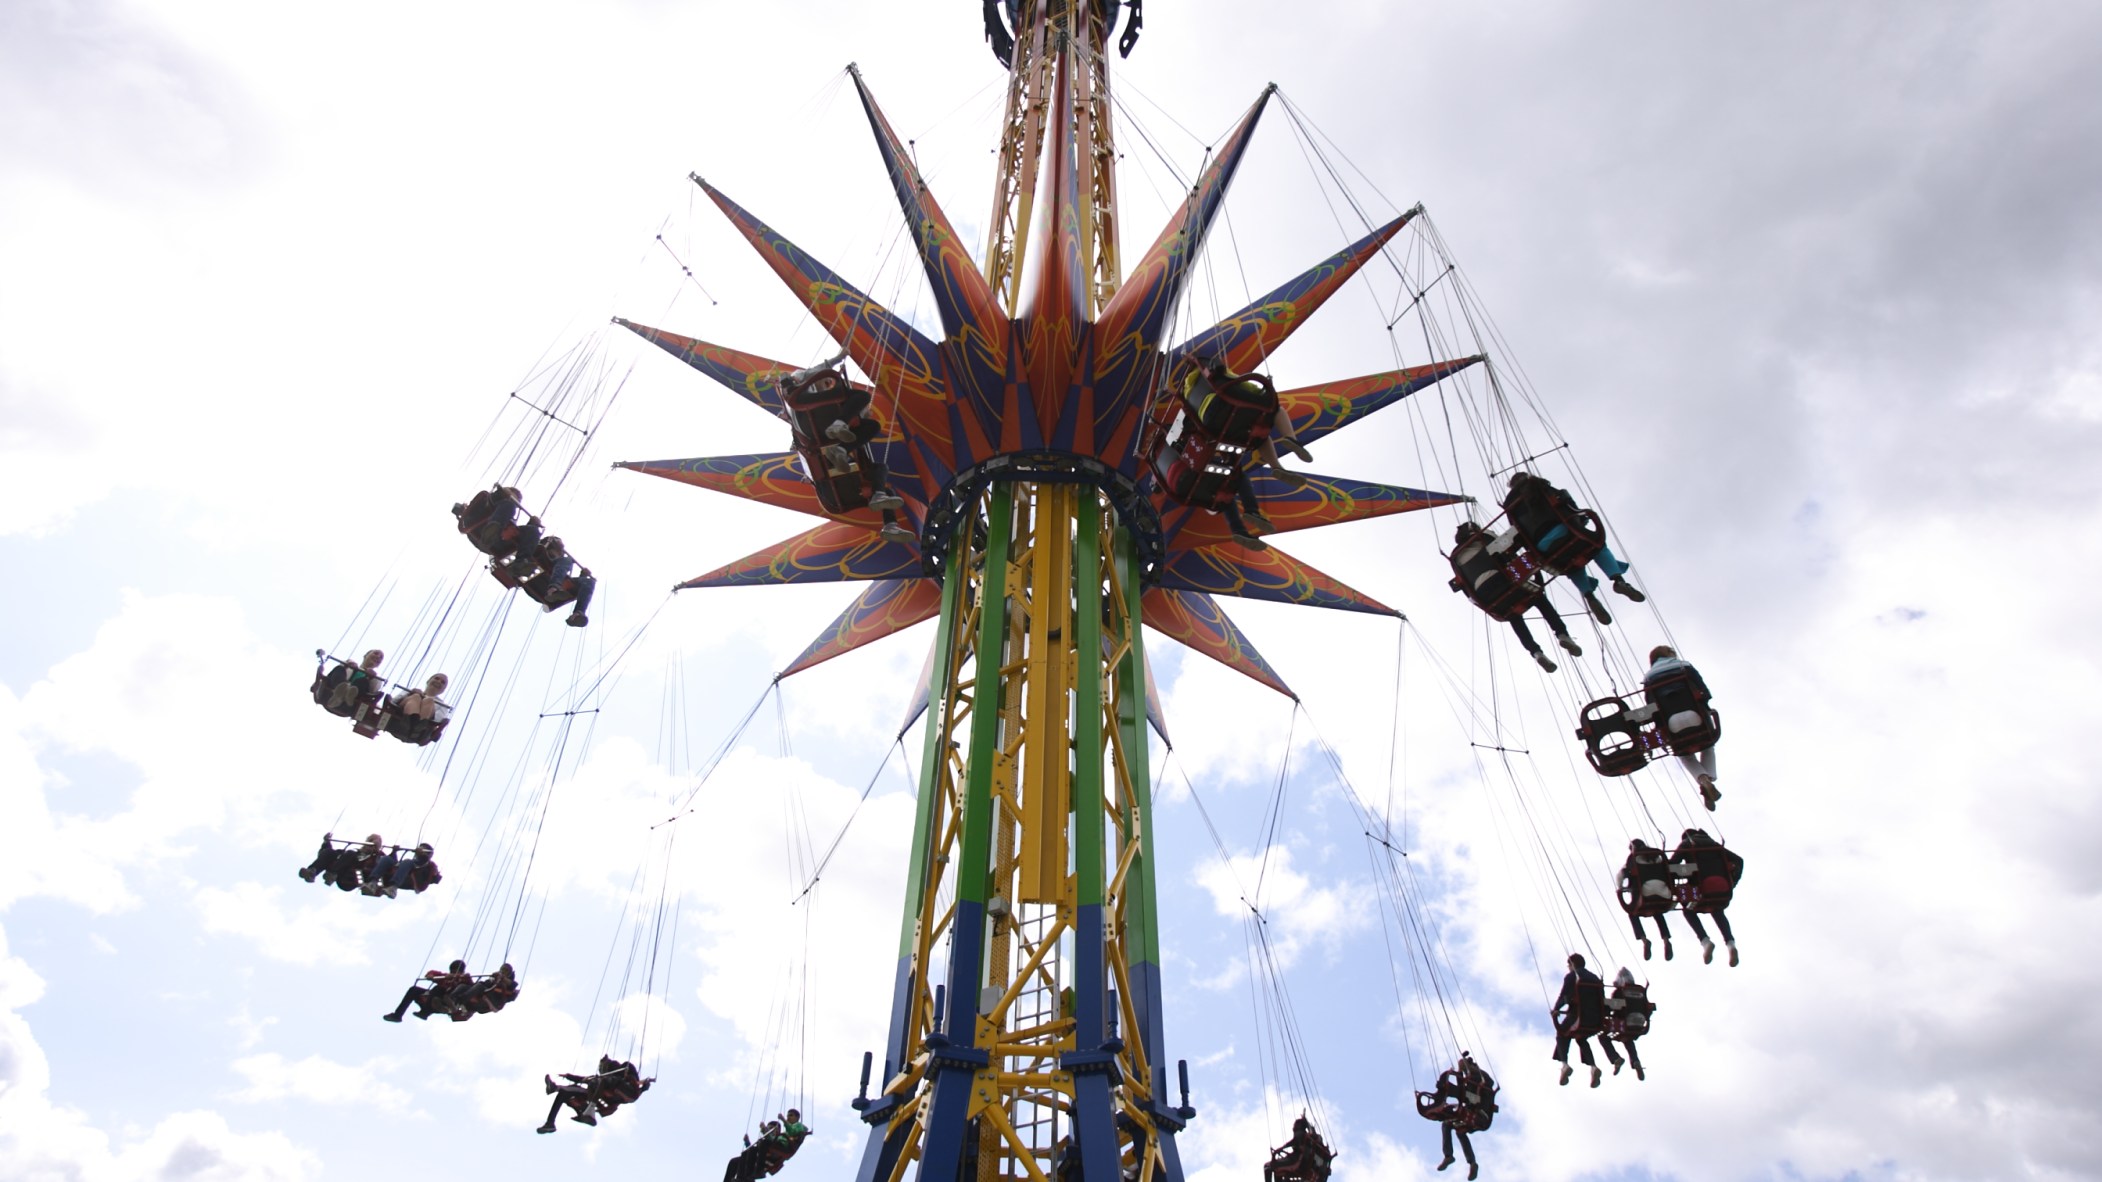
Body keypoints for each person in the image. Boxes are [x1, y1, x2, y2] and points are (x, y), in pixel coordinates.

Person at [1500, 472, 1643, 624]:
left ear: (1512, 486)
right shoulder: (1538, 485)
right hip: (1567, 531)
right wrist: (1580, 519)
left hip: (1543, 548)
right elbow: (1566, 502)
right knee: (1596, 546)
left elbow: (1518, 532)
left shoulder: (1510, 507)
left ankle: (1589, 596)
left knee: (1571, 566)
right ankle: (1618, 580)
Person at [1450, 520, 1582, 673]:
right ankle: (1562, 634)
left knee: (1512, 614)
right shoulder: (1483, 536)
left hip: (1487, 595)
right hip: (1504, 581)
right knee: (1538, 597)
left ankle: (1536, 652)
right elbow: (1507, 544)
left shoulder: (1456, 558)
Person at [1644, 646, 1719, 809]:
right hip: (1697, 717)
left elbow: (1652, 708)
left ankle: (1703, 780)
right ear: (1669, 654)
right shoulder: (1684, 666)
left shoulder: (1649, 677)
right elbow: (1704, 692)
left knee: (1684, 753)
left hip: (1672, 725)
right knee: (1708, 744)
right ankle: (1708, 779)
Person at [1672, 829, 1741, 966]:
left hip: (1701, 893)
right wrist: (1733, 882)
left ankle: (1705, 942)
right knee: (1717, 909)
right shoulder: (1714, 845)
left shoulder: (1686, 844)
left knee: (1688, 910)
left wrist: (1686, 871)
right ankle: (1731, 944)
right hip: (1722, 891)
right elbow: (1739, 860)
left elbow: (1672, 866)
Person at [538, 1055, 652, 1134]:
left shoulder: (617, 1080)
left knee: (593, 1083)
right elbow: (583, 1079)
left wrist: (643, 1088)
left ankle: (588, 1110)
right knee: (565, 1093)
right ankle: (550, 1123)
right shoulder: (604, 1080)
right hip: (597, 1097)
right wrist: (568, 1076)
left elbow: (631, 1094)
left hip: (602, 1099)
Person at [1550, 952, 1607, 1088]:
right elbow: (1603, 999)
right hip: (1596, 1019)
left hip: (1579, 1017)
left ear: (1572, 964)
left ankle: (1564, 1065)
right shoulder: (1595, 978)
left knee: (1561, 1033)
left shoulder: (1572, 976)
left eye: (1569, 965)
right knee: (1581, 1038)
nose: (1568, 968)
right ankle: (1593, 1067)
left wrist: (1556, 1009)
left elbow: (1564, 996)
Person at [1618, 839, 1676, 961]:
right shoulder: (1658, 856)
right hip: (1664, 894)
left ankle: (1644, 940)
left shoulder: (1633, 858)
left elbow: (1622, 875)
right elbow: (1672, 871)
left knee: (1632, 913)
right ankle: (1666, 940)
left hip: (1645, 894)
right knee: (1658, 912)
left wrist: (1620, 887)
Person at [1603, 967, 1654, 1080]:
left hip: (1623, 1024)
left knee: (1603, 1036)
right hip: (1639, 1024)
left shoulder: (1620, 992)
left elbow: (1612, 1006)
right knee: (1627, 1038)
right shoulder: (1640, 991)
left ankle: (1615, 1058)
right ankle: (1635, 1061)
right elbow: (1648, 1007)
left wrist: (1605, 1005)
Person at [383, 959, 472, 1023]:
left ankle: (425, 1013)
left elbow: (470, 987)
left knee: (438, 989)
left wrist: (463, 977)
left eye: (456, 971)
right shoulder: (445, 977)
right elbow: (432, 973)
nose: (454, 973)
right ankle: (397, 1015)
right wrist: (431, 976)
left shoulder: (464, 979)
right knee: (413, 990)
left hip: (446, 1002)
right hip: (432, 999)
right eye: (452, 971)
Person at [1261, 1114, 1334, 1181]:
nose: (1293, 1127)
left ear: (1299, 1126)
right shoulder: (1311, 1140)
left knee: (1268, 1166)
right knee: (1278, 1172)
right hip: (1303, 1165)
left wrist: (1278, 1150)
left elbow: (1290, 1143)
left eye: (1295, 1125)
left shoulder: (1300, 1134)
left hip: (1295, 1161)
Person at [385, 673, 452, 745]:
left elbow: (437, 720)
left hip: (420, 732)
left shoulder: (442, 705)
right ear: (428, 681)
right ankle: (408, 725)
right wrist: (410, 694)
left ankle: (417, 728)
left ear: (443, 690)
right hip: (397, 721)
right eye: (436, 678)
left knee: (429, 701)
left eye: (443, 682)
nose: (439, 682)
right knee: (416, 697)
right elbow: (393, 702)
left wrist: (424, 701)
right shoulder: (411, 691)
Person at [364, 842, 441, 898]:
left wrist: (423, 855)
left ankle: (393, 888)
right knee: (387, 859)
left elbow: (423, 862)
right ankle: (372, 883)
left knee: (407, 862)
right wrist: (394, 852)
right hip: (399, 875)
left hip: (411, 880)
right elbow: (396, 865)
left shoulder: (427, 865)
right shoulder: (411, 863)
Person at [321, 650, 385, 717]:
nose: (378, 656)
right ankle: (340, 691)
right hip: (330, 693)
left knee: (363, 681)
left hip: (351, 704)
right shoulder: (349, 664)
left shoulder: (376, 679)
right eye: (376, 653)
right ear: (365, 655)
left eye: (381, 657)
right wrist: (349, 664)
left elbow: (374, 690)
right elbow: (339, 669)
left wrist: (372, 678)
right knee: (339, 669)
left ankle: (348, 696)